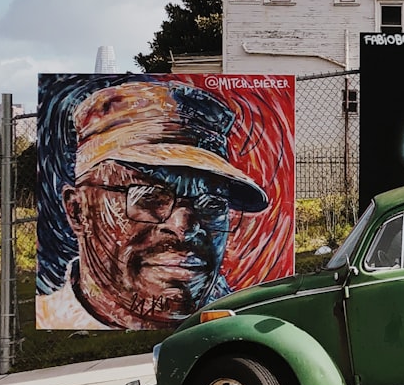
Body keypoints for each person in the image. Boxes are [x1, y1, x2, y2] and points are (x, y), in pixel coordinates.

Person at [36, 81, 269, 330]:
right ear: (78, 211)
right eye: (148, 198)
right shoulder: (50, 318)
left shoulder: (244, 317)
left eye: (212, 203)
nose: (185, 227)